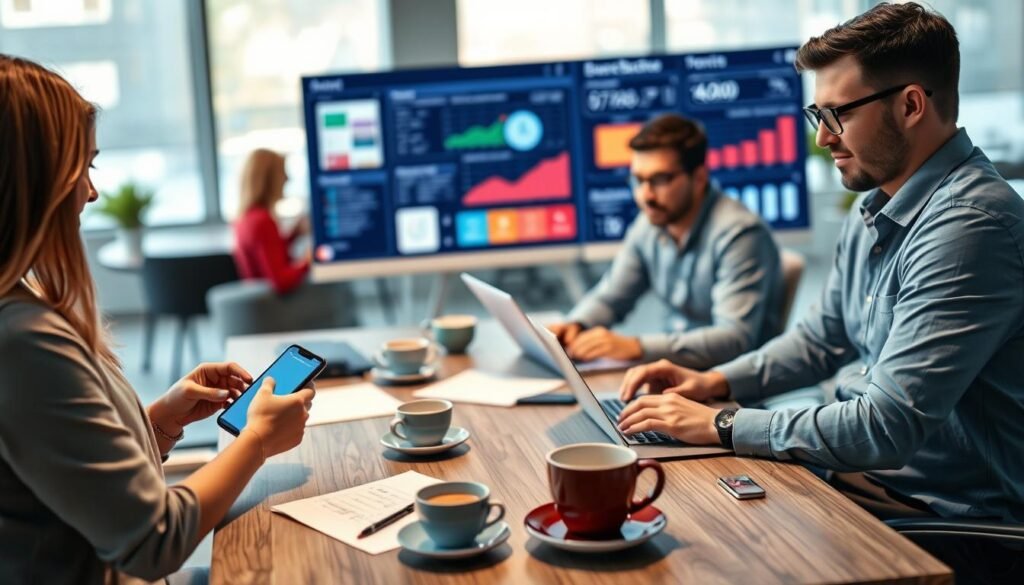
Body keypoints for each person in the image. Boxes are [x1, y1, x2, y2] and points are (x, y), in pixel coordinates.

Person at [615, 3, 1023, 581]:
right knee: (671, 509)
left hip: (944, 523)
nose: (823, 136)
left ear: (910, 105)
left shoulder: (970, 227)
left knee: (699, 552)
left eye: (837, 114)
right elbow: (822, 338)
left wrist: (724, 424)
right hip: (866, 482)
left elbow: (884, 427)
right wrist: (714, 383)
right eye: (817, 113)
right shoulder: (876, 205)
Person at [0, 55, 314, 584]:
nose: (92, 192)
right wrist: (257, 439)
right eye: (85, 166)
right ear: (37, 177)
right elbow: (152, 540)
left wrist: (160, 421)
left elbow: (67, 471)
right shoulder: (22, 339)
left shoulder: (20, 305)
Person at [548, 114, 783, 367]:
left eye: (660, 180)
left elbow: (734, 339)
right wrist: (577, 324)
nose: (645, 195)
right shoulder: (651, 222)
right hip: (672, 374)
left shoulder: (740, 234)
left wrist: (636, 347)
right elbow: (612, 297)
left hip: (727, 385)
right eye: (638, 180)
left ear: (699, 177)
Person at [233, 148, 311, 295]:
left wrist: (293, 236)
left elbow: (268, 257)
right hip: (271, 307)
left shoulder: (247, 218)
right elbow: (281, 281)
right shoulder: (262, 221)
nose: (288, 178)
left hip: (260, 302)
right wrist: (308, 261)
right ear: (268, 179)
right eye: (282, 172)